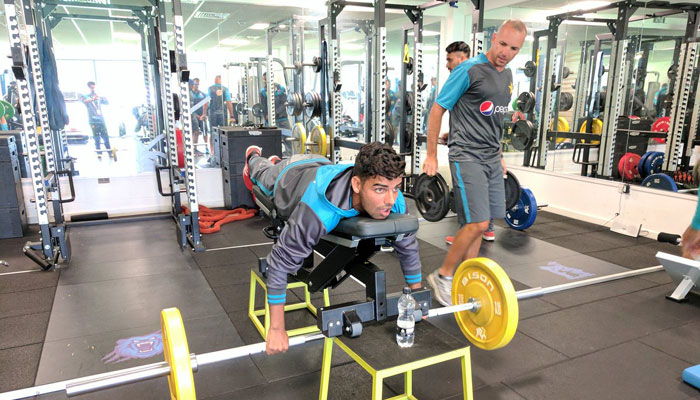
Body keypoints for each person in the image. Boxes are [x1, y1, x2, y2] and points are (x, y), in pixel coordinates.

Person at [242, 142, 423, 354]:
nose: (390, 200)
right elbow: (279, 262)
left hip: (322, 164)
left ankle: (273, 161)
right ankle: (254, 156)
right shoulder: (319, 210)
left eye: (396, 188)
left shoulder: (394, 198)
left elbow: (408, 247)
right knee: (262, 174)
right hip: (290, 175)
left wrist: (418, 300)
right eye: (380, 189)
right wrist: (276, 328)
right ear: (357, 185)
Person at [423, 19, 527, 306]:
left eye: (514, 48)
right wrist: (431, 155)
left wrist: (500, 155)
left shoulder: (507, 76)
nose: (505, 52)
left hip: (491, 157)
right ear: (494, 38)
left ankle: (467, 277)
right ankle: (443, 275)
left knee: (482, 223)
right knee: (478, 222)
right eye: (502, 44)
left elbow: (494, 120)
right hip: (466, 154)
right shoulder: (468, 70)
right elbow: (437, 109)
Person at [260, 72, 293, 155]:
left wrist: (274, 113)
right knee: (272, 140)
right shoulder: (263, 92)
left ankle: (290, 155)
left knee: (288, 138)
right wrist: (266, 117)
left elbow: (284, 104)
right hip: (270, 122)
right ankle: (274, 156)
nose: (265, 81)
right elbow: (263, 106)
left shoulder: (281, 89)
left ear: (271, 78)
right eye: (264, 79)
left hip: (283, 119)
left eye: (266, 79)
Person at [82, 81, 113, 158]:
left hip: (101, 120)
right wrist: (93, 98)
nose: (93, 89)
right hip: (92, 120)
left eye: (94, 87)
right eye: (91, 87)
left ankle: (109, 152)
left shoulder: (98, 96)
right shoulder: (85, 96)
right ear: (89, 88)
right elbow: (84, 101)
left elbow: (107, 103)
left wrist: (104, 98)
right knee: (96, 137)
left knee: (105, 136)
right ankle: (99, 153)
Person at [189, 78, 208, 155]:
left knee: (205, 131)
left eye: (197, 84)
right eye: (195, 84)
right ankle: (194, 149)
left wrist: (204, 114)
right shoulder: (190, 94)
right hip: (194, 115)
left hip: (202, 115)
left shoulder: (202, 94)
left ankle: (206, 148)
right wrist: (197, 116)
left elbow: (206, 103)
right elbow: (190, 107)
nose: (196, 85)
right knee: (196, 132)